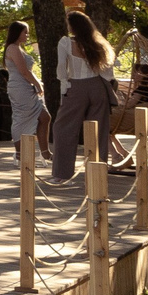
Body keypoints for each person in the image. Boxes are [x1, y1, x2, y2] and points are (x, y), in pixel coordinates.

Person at [50, 9, 118, 183]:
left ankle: (62, 174)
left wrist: (64, 90)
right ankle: (97, 173)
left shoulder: (65, 43)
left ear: (73, 27)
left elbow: (61, 70)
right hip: (97, 87)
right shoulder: (98, 44)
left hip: (76, 87)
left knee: (63, 128)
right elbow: (108, 73)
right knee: (99, 131)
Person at [4, 21, 48, 149]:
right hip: (19, 88)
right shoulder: (12, 48)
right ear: (17, 32)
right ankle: (19, 152)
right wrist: (38, 84)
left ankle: (45, 151)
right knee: (21, 118)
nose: (27, 35)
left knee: (45, 117)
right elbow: (24, 71)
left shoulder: (19, 48)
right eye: (25, 32)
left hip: (27, 87)